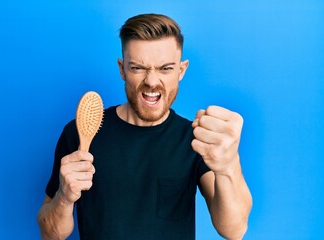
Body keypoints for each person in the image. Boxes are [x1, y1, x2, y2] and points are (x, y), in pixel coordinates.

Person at [37, 13, 252, 240]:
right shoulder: (80, 134)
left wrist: (229, 166)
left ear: (181, 70)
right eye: (138, 68)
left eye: (165, 68)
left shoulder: (195, 139)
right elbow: (50, 234)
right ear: (122, 69)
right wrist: (64, 196)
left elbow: (233, 230)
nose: (151, 81)